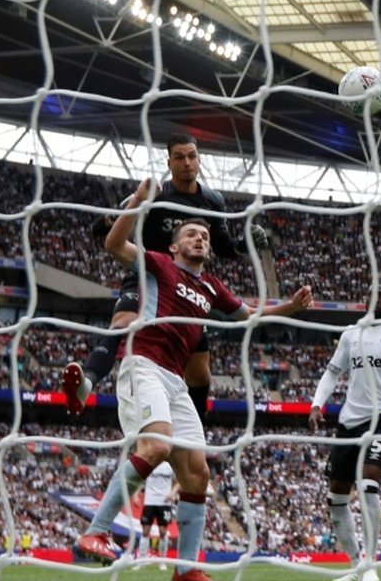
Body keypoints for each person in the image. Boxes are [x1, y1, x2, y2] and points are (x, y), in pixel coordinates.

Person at [75, 178, 312, 581]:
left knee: (198, 472)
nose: (201, 239)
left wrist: (289, 306)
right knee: (156, 446)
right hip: (143, 363)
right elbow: (114, 245)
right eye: (191, 234)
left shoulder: (211, 287)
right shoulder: (157, 264)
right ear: (174, 245)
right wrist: (137, 203)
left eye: (204, 235)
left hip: (175, 381)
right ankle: (93, 533)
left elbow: (249, 317)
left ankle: (185, 569)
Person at [61, 132, 269, 418]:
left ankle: (192, 439)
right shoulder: (156, 194)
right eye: (180, 157)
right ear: (169, 162)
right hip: (148, 273)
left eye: (192, 156)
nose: (187, 162)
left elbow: (224, 249)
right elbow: (100, 227)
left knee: (200, 375)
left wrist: (245, 246)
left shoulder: (213, 201)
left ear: (199, 160)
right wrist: (133, 202)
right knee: (123, 322)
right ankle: (87, 383)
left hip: (186, 287)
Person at [308, 282, 381, 581]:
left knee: (368, 483)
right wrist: (316, 405)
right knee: (336, 497)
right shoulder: (350, 335)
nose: (378, 298)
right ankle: (355, 564)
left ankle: (372, 563)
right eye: (373, 293)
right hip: (349, 422)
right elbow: (332, 373)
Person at [136, 460, 178, 570]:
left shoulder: (170, 466)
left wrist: (172, 493)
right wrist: (135, 494)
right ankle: (141, 560)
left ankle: (162, 561)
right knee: (145, 530)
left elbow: (178, 482)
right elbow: (141, 481)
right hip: (149, 501)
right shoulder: (149, 464)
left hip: (164, 502)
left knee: (163, 532)